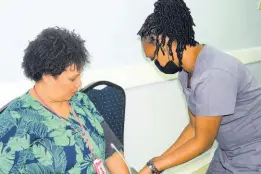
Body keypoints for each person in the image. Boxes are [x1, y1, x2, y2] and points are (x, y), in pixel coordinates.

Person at [137, 0, 261, 174]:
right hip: (228, 152)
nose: (156, 64)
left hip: (253, 154)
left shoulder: (214, 73)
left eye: (155, 57)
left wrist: (155, 167)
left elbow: (203, 141)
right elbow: (194, 128)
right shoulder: (185, 72)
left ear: (166, 42)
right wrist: (156, 162)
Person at [0, 27, 129, 174]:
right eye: (72, 79)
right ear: (47, 76)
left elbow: (111, 151)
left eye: (79, 75)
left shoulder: (81, 101)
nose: (79, 83)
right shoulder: (14, 121)